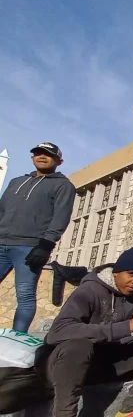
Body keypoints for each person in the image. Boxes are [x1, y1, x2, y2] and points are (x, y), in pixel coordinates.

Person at [39, 247, 133, 417]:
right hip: (67, 366)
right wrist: (125, 327)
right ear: (116, 273)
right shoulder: (89, 290)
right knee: (79, 346)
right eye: (132, 273)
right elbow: (57, 332)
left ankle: (129, 409)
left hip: (107, 364)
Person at [0, 142, 75, 332]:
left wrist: (46, 245)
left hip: (29, 247)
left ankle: (16, 338)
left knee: (24, 295)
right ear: (32, 157)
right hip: (1, 243)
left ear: (59, 161)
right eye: (38, 153)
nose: (42, 156)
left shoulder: (63, 185)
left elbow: (61, 217)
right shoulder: (16, 182)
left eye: (48, 154)